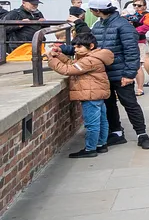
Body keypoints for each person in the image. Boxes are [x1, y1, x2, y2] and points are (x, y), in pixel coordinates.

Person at [86, 0, 149, 149]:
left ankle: (142, 134)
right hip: (104, 73)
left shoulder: (123, 25)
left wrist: (129, 74)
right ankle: (116, 133)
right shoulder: (98, 25)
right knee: (109, 104)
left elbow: (132, 51)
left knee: (130, 104)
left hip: (121, 73)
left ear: (97, 10)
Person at [47, 30, 113, 158]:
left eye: (79, 47)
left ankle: (90, 149)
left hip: (90, 95)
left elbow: (68, 69)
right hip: (97, 93)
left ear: (91, 46)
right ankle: (101, 144)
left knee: (92, 123)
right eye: (75, 47)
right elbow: (74, 64)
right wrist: (59, 56)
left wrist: (50, 59)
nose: (75, 50)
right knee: (102, 120)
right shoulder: (94, 57)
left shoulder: (89, 60)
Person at [125, 0, 149, 94]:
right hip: (130, 40)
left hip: (141, 39)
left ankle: (143, 85)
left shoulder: (146, 14)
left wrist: (133, 31)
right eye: (134, 5)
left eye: (139, 6)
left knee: (141, 62)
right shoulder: (131, 13)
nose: (136, 7)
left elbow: (147, 26)